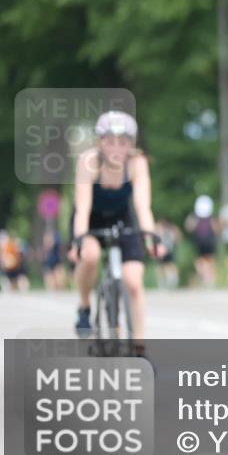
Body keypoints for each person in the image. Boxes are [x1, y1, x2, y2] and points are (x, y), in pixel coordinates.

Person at [69, 111, 164, 352]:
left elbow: (143, 206)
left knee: (133, 281)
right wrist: (78, 240)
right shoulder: (88, 162)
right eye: (109, 141)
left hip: (123, 218)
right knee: (89, 257)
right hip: (90, 218)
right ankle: (84, 307)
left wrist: (151, 236)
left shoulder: (137, 163)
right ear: (99, 142)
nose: (116, 149)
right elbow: (82, 207)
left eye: (122, 143)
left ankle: (140, 347)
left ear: (131, 145)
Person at [185, 195, 217, 287]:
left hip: (200, 240)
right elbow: (216, 229)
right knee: (208, 260)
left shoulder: (194, 216)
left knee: (202, 260)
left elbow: (189, 228)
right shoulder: (211, 217)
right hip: (208, 240)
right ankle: (208, 278)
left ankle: (206, 277)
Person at [155, 219, 182, 289]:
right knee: (164, 266)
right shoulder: (170, 230)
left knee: (167, 265)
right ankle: (166, 281)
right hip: (165, 250)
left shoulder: (169, 230)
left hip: (167, 250)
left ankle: (172, 280)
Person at [41, 226, 66, 291]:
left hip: (54, 258)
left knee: (56, 274)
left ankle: (56, 288)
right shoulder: (57, 237)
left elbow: (48, 247)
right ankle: (55, 288)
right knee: (52, 274)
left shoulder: (55, 238)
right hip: (53, 258)